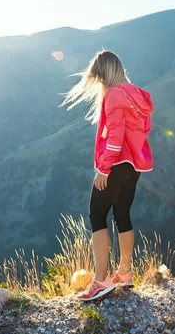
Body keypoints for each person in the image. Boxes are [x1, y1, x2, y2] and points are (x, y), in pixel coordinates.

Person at [62, 50, 154, 301]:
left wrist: (103, 169)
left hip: (116, 163)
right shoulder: (137, 94)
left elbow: (114, 136)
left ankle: (101, 280)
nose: (99, 83)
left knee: (97, 215)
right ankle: (124, 274)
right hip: (135, 164)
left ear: (104, 74)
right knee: (122, 214)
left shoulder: (114, 95)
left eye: (99, 78)